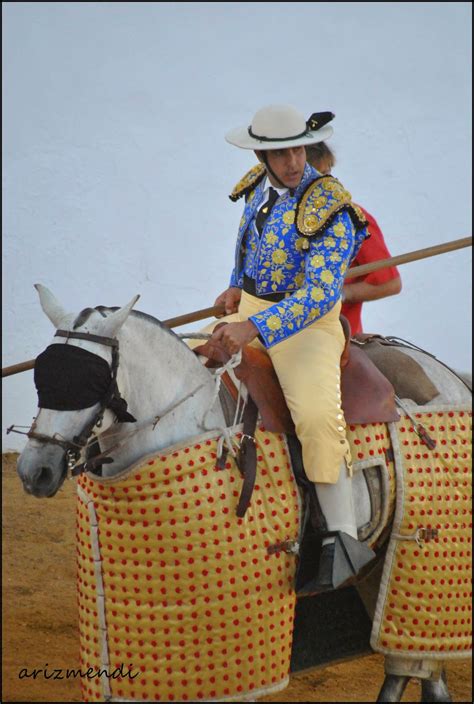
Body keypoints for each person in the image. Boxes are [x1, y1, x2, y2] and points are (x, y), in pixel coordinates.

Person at [211, 105, 376, 591]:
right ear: (261, 153)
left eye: (298, 149)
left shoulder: (332, 202)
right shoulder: (255, 188)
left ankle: (344, 539)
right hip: (253, 313)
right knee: (192, 364)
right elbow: (248, 247)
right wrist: (235, 287)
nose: (292, 161)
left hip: (308, 325)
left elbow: (322, 294)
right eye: (280, 153)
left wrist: (255, 327)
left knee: (318, 418)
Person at [306, 141, 402, 335]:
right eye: (316, 177)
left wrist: (340, 294)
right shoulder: (274, 216)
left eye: (327, 174)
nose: (326, 184)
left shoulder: (353, 217)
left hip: (334, 334)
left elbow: (390, 283)